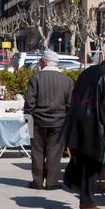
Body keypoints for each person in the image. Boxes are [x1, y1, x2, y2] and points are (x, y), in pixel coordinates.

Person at [61, 46, 105, 209]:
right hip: (94, 127)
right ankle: (88, 202)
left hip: (79, 123)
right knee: (92, 165)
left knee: (83, 163)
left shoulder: (90, 71)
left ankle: (86, 203)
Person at [24, 50, 74, 190]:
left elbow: (30, 101)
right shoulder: (67, 81)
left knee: (37, 151)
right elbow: (70, 104)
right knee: (55, 152)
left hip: (36, 121)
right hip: (59, 122)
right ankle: (52, 182)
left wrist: (28, 116)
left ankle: (37, 182)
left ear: (44, 62)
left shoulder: (36, 79)